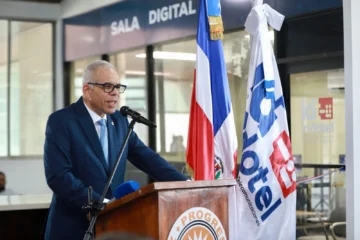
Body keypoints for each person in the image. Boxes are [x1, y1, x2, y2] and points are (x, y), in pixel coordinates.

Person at [43, 60, 189, 240]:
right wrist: (100, 204)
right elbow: (58, 176)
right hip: (74, 227)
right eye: (107, 86)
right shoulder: (62, 121)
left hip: (113, 225)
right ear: (87, 90)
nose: (115, 92)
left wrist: (186, 184)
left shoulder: (120, 122)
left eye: (118, 87)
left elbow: (148, 159)